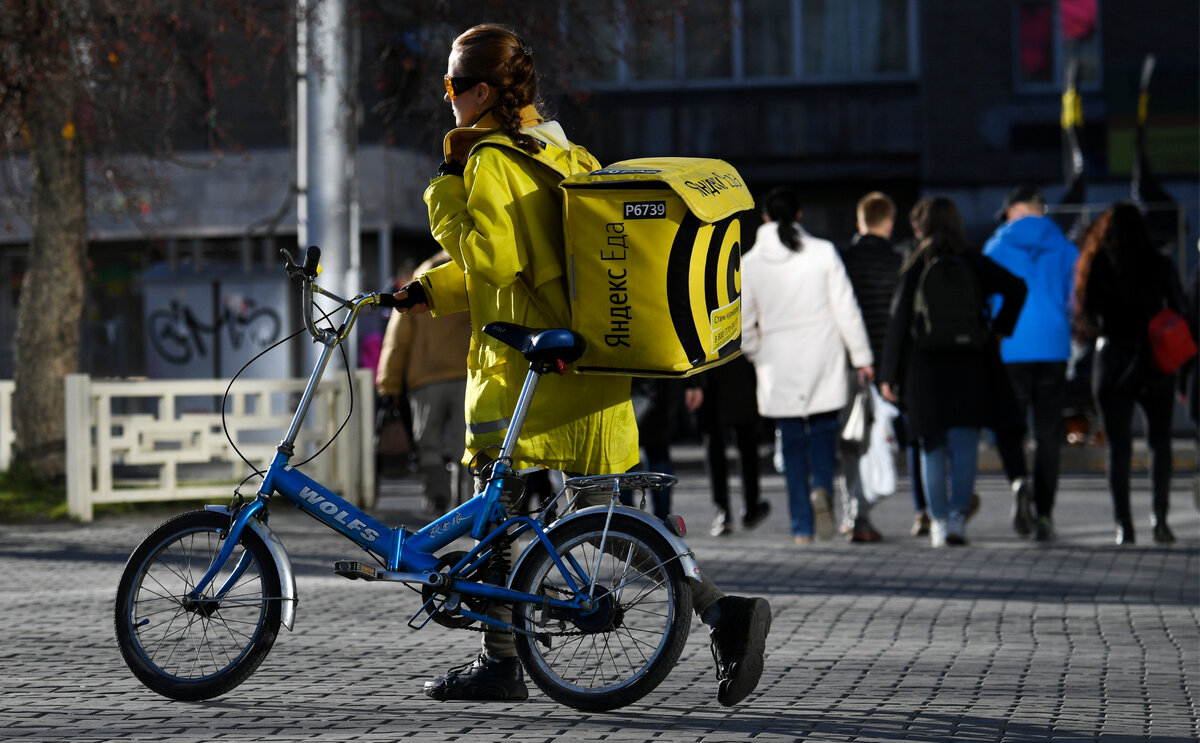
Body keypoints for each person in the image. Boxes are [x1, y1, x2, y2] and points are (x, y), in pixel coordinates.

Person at [393, 23, 770, 706]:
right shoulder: (569, 152)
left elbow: (496, 258)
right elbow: (534, 263)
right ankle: (720, 611)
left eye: (449, 87)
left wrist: (443, 190)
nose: (446, 99)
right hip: (590, 361)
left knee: (505, 517)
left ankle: (504, 664)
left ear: (479, 91)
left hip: (527, 373)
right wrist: (429, 290)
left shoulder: (487, 161)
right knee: (597, 518)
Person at [880, 196, 1026, 548]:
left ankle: (939, 524)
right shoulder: (974, 260)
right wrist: (999, 329)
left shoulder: (916, 262)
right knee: (964, 445)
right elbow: (1017, 287)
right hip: (971, 362)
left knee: (931, 445)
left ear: (924, 225)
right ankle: (960, 518)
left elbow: (899, 321)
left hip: (925, 366)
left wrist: (889, 373)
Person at [741, 187, 874, 545]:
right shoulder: (823, 252)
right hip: (823, 355)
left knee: (792, 445)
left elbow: (743, 323)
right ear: (799, 215)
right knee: (823, 438)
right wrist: (862, 357)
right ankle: (821, 490)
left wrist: (757, 353)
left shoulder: (750, 263)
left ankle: (802, 528)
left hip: (777, 362)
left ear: (765, 218)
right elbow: (846, 309)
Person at [1072, 202, 1189, 545]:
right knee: (1159, 442)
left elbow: (1086, 315)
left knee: (1118, 448)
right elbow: (1180, 307)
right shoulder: (1160, 264)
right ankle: (1161, 520)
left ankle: (1124, 525)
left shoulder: (1098, 266)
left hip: (1111, 360)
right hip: (1154, 360)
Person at [983, 185, 1079, 542]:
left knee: (1010, 426)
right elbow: (1076, 300)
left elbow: (987, 299)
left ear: (1017, 210)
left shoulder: (996, 246)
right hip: (1054, 347)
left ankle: (1018, 480)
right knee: (1049, 434)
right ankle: (1044, 516)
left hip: (1010, 348)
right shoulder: (1067, 249)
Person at [376, 250, 473, 512]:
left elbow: (398, 338)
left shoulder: (422, 278)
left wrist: (389, 383)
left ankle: (436, 498)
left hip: (425, 378)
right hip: (467, 374)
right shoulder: (470, 271)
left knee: (427, 443)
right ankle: (465, 505)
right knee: (465, 445)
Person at [838, 191, 904, 542]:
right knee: (882, 439)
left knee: (853, 440)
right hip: (887, 361)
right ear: (889, 222)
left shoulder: (844, 259)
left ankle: (854, 512)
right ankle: (865, 512)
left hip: (851, 362)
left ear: (860, 222)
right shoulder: (899, 261)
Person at [685, 355, 770, 537]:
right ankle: (749, 506)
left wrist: (693, 381)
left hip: (710, 367)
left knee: (717, 442)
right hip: (737, 363)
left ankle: (723, 510)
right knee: (745, 439)